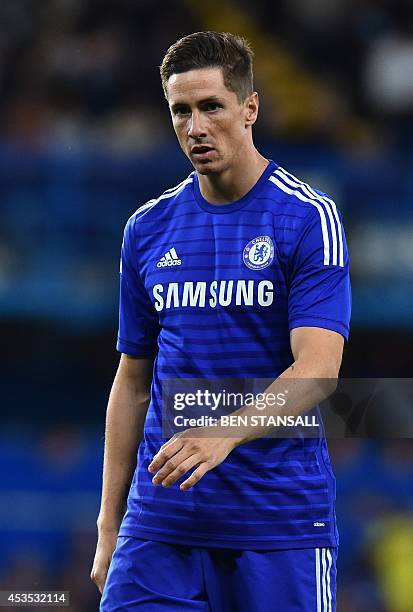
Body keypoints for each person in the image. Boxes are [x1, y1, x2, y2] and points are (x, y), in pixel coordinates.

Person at [91, 31, 351, 611]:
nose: (195, 127)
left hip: (276, 527)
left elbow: (319, 369)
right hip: (160, 527)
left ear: (250, 108)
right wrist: (111, 525)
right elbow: (133, 379)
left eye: (212, 107)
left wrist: (222, 431)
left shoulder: (307, 218)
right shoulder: (148, 228)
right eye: (180, 111)